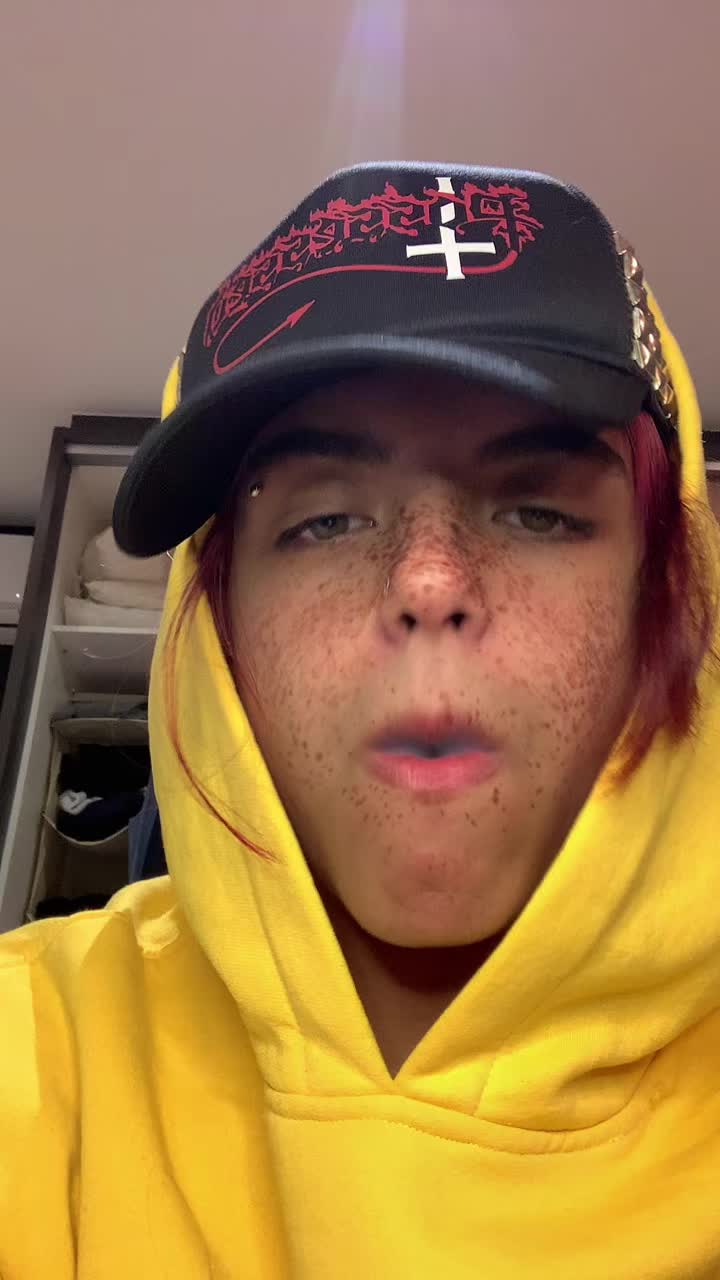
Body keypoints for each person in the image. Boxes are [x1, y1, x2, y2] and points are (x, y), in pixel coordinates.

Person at [2, 163, 720, 1278]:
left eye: (538, 512)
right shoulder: (40, 1056)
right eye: (326, 521)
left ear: (663, 595)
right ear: (219, 635)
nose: (428, 581)